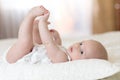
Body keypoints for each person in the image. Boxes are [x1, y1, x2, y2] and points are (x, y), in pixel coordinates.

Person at [5, 6, 108, 64]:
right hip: (29, 52)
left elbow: (49, 44)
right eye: (81, 43)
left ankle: (30, 16)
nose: (77, 46)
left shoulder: (63, 60)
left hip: (17, 57)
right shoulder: (65, 54)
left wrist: (43, 24)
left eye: (81, 51)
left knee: (26, 42)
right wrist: (57, 39)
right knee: (34, 41)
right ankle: (33, 27)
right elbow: (55, 48)